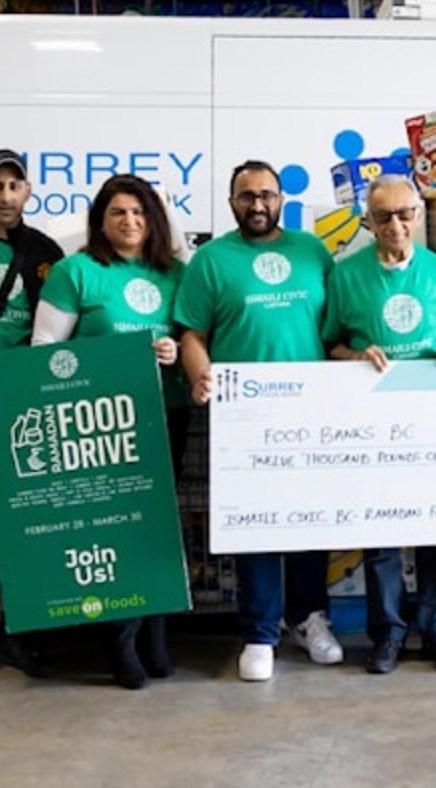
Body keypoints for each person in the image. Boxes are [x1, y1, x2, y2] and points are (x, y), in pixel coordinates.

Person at [174, 159, 343, 683]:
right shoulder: (212, 261)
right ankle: (259, 630)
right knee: (255, 524)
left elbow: (335, 327)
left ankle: (309, 617)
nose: (258, 205)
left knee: (311, 520)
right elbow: (192, 335)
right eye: (247, 196)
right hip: (244, 417)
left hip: (311, 410)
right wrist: (200, 376)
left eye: (267, 195)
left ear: (281, 200)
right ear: (231, 204)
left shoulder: (312, 251)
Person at [31, 173, 188, 689]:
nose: (131, 222)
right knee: (115, 528)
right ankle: (121, 641)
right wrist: (114, 358)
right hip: (100, 423)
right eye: (119, 212)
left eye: (140, 213)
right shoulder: (76, 272)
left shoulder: (175, 273)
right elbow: (45, 355)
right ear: (100, 220)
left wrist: (172, 350)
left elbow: (193, 336)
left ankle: (156, 636)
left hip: (165, 411)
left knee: (159, 529)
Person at [322, 174, 436, 674]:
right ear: (368, 220)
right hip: (373, 420)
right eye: (384, 216)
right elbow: (330, 345)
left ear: (419, 215)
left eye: (405, 214)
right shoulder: (345, 275)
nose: (396, 225)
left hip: (433, 419)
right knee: (381, 532)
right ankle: (387, 634)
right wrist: (354, 354)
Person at [0, 148, 64, 678]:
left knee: (21, 518)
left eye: (13, 186)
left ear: (27, 192)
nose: (4, 196)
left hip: (20, 401)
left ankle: (20, 630)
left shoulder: (43, 252)